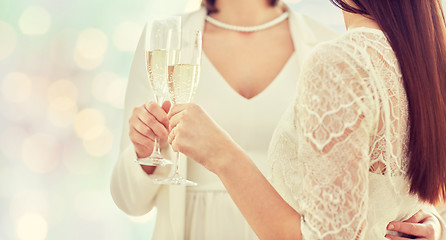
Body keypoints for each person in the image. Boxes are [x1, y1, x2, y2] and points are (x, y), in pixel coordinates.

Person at [110, 0, 445, 239]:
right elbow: (128, 200)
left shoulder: (332, 46)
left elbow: (384, 177)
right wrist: (144, 156)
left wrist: (428, 220)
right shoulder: (165, 41)